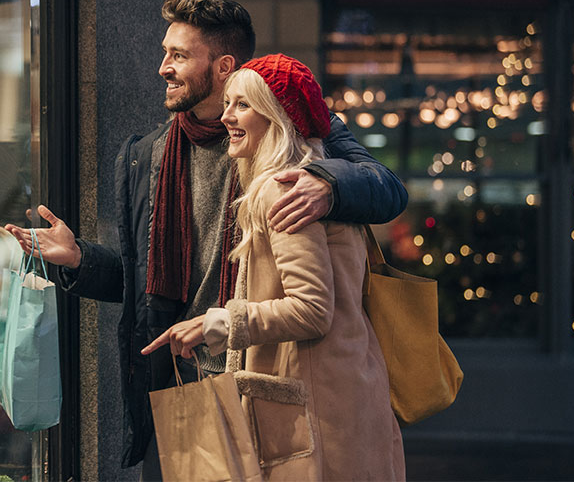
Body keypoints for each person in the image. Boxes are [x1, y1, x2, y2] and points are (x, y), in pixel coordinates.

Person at [4, 0, 407, 474]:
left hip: (272, 379)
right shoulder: (149, 157)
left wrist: (327, 184)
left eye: (179, 55)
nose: (163, 68)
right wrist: (78, 260)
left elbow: (387, 189)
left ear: (223, 66)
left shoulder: (290, 139)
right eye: (164, 52)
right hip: (189, 381)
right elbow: (147, 286)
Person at [143, 53, 406, 480]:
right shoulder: (315, 181)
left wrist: (220, 322)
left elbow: (311, 309)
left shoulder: (282, 188)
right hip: (343, 394)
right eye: (228, 103)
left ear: (278, 116)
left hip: (315, 412)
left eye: (242, 105)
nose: (227, 116)